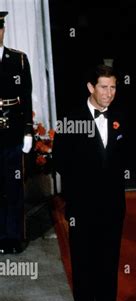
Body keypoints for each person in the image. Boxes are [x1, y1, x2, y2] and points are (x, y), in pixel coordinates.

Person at [53, 64, 128, 301]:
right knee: (84, 269)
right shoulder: (71, 119)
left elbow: (126, 156)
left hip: (113, 208)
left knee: (109, 267)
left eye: (113, 87)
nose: (109, 93)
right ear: (90, 87)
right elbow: (59, 161)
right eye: (104, 87)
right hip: (83, 210)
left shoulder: (121, 117)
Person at [0, 11, 33, 254]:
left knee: (13, 185)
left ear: (3, 30)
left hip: (13, 132)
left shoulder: (19, 60)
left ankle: (14, 237)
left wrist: (29, 132)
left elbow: (26, 99)